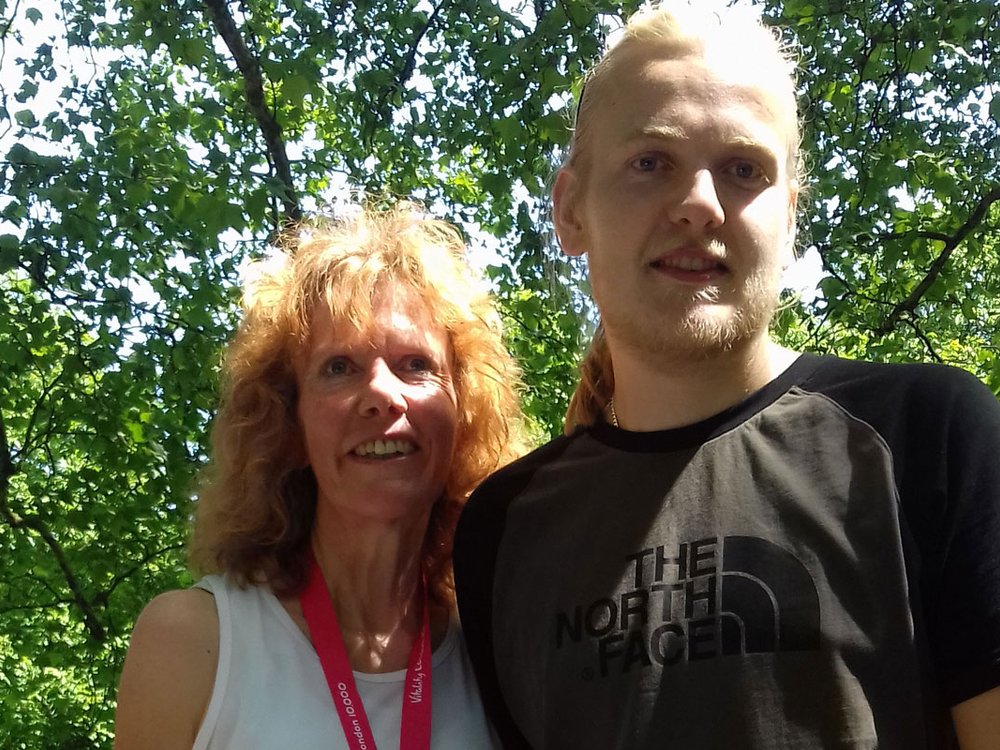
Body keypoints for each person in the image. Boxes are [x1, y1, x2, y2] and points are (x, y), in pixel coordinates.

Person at [453, 4, 1000, 749]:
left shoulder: (931, 438)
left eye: (744, 170)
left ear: (790, 217)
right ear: (570, 209)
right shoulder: (500, 531)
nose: (700, 205)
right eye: (652, 162)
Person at [114, 203, 525, 749]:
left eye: (416, 365)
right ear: (290, 422)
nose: (382, 393)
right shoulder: (194, 643)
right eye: (339, 368)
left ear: (462, 412)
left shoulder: (502, 651)